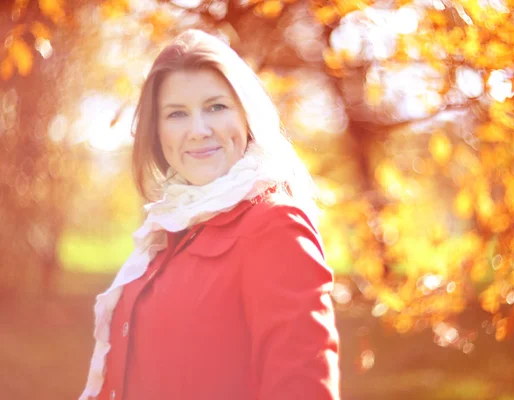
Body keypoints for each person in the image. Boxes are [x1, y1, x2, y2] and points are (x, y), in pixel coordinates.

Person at [79, 30, 340, 400]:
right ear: (157, 131)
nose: (198, 131)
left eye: (216, 107)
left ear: (246, 117)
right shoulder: (170, 227)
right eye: (177, 114)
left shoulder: (275, 225)